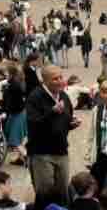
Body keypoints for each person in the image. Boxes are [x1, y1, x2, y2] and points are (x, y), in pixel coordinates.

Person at [26, 65, 79, 203]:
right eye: (55, 79)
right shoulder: (35, 97)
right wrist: (52, 112)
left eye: (61, 77)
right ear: (45, 81)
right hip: (41, 153)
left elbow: (65, 120)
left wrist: (71, 124)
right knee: (45, 194)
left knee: (63, 192)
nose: (61, 81)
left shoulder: (64, 96)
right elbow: (33, 124)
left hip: (61, 151)